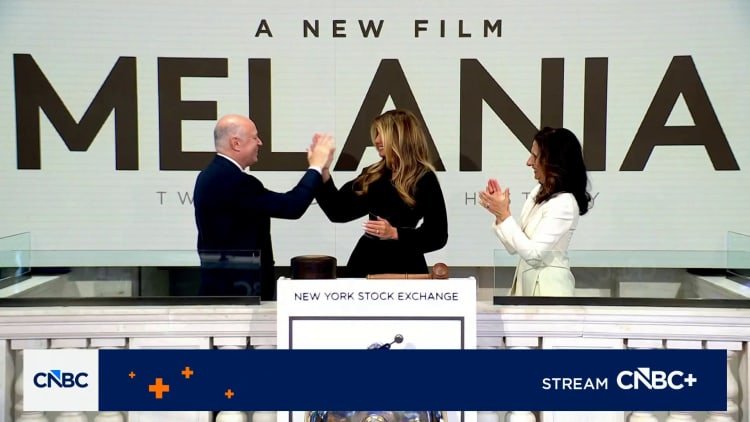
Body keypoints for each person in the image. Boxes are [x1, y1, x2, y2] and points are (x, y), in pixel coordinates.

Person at [193, 114, 335, 300]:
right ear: (236, 143)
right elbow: (292, 206)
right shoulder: (236, 181)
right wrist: (316, 166)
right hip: (240, 292)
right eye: (254, 137)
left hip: (223, 287)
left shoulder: (208, 175)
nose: (260, 142)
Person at [315, 109, 448, 277]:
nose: (376, 140)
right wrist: (323, 170)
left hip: (405, 266)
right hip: (366, 263)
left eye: (382, 134)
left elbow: (437, 235)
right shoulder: (373, 174)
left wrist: (394, 233)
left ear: (400, 136)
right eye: (376, 134)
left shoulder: (424, 178)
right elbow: (338, 211)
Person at [479, 127, 591, 296]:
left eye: (535, 156)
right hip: (526, 290)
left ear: (553, 161)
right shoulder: (537, 192)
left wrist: (504, 215)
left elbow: (534, 255)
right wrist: (500, 214)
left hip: (549, 293)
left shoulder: (564, 203)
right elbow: (513, 247)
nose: (529, 162)